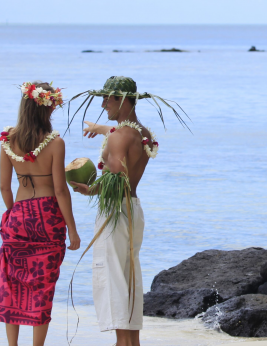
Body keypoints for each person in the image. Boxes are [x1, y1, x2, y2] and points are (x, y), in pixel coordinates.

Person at [67, 76, 186, 346]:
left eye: (107, 99)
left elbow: (117, 178)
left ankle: (121, 343)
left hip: (115, 211)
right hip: (133, 208)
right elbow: (124, 136)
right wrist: (103, 130)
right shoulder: (142, 133)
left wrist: (91, 189)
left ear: (121, 100)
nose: (102, 103)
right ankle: (132, 342)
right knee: (129, 276)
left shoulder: (120, 136)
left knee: (112, 277)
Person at [0, 81, 82, 346]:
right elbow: (60, 190)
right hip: (48, 217)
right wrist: (72, 228)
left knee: (12, 283)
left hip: (19, 215)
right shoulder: (55, 143)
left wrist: (13, 213)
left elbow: (5, 187)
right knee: (42, 287)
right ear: (46, 110)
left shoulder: (8, 140)